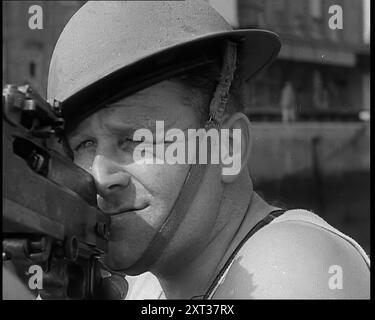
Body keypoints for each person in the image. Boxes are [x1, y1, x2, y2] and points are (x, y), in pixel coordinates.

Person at [8, 0, 370, 299]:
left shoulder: (297, 269)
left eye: (135, 139)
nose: (102, 177)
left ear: (227, 148)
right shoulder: (143, 285)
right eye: (84, 144)